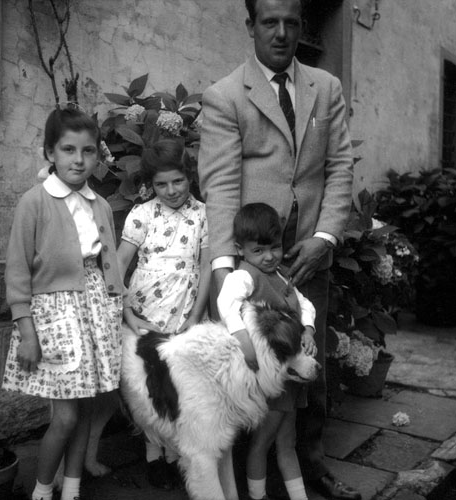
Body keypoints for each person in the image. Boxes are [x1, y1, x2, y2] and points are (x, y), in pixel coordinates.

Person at [197, 1, 358, 498]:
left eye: (291, 22)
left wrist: (325, 238)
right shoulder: (225, 96)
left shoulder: (325, 88)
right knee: (244, 369)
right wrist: (225, 270)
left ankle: (310, 465)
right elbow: (221, 185)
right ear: (251, 26)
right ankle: (242, 475)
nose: (282, 33)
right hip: (253, 262)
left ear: (302, 26)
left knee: (308, 364)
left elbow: (340, 167)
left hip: (308, 257)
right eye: (270, 22)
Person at [2, 106, 150, 500]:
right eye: (68, 150)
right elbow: (17, 270)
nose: (79, 160)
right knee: (65, 417)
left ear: (98, 156)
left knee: (85, 411)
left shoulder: (98, 204)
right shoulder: (34, 202)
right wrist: (26, 331)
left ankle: (71, 489)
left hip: (94, 313)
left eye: (88, 151)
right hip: (55, 319)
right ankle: (41, 490)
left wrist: (126, 314)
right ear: (50, 152)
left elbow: (110, 267)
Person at [116, 138, 211, 489]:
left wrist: (195, 317)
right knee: (148, 384)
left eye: (178, 181)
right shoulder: (141, 214)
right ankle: (153, 454)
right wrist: (128, 312)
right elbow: (118, 265)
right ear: (150, 184)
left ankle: (175, 454)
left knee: (179, 384)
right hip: (146, 311)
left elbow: (205, 267)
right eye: (161, 184)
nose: (171, 191)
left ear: (190, 177)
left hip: (185, 310)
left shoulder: (203, 215)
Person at [217, 203, 316, 500]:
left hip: (292, 375)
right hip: (270, 378)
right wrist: (242, 339)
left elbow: (304, 304)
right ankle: (257, 496)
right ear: (241, 250)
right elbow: (226, 302)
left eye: (275, 247)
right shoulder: (245, 276)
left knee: (287, 441)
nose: (269, 256)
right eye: (258, 250)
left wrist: (308, 329)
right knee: (262, 442)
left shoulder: (281, 276)